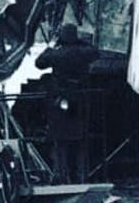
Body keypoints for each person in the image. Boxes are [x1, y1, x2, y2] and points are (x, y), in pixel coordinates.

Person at [36, 23, 99, 183]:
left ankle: (61, 177)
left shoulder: (57, 54)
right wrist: (79, 41)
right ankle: (82, 177)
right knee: (80, 141)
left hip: (60, 101)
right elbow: (95, 52)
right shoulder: (84, 53)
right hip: (80, 100)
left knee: (60, 141)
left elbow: (39, 63)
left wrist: (51, 46)